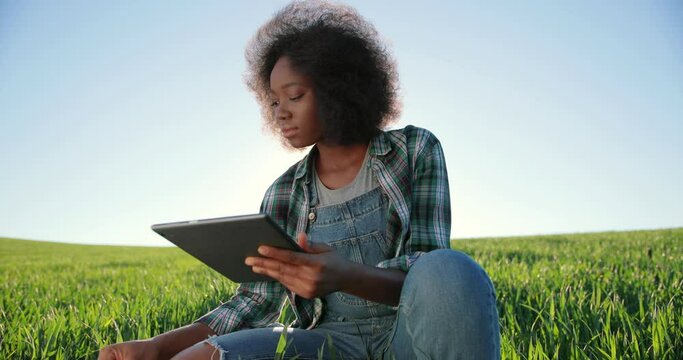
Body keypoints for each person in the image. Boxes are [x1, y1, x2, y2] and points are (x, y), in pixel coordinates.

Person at [98, 1, 500, 359]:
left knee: (450, 269)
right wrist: (158, 347)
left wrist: (348, 275)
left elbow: (431, 278)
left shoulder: (413, 151)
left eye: (294, 96)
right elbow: (256, 301)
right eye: (273, 101)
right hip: (327, 345)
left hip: (409, 338)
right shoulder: (284, 193)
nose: (280, 113)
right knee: (203, 356)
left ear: (339, 89)